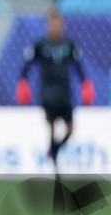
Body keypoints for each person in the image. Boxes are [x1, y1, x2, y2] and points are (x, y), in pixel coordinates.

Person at [15, 11, 94, 165]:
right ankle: (53, 158)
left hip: (65, 91)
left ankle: (54, 149)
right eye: (52, 24)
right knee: (51, 126)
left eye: (58, 24)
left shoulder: (69, 44)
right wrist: (23, 83)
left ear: (62, 26)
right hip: (47, 91)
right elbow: (27, 64)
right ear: (47, 26)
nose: (55, 27)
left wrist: (85, 84)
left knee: (70, 128)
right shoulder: (40, 45)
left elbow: (78, 66)